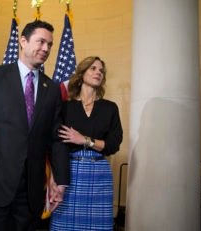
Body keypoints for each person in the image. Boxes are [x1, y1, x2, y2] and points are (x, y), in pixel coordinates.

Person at [0, 20, 70, 231]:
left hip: (31, 192)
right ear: (23, 41)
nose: (46, 49)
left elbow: (55, 138)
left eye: (50, 44)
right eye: (41, 42)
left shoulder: (52, 89)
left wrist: (60, 180)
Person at [49, 56, 123, 230]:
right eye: (93, 68)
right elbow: (56, 146)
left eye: (101, 71)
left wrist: (84, 140)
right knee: (64, 224)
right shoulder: (65, 107)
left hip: (100, 175)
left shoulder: (110, 108)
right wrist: (54, 177)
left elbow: (113, 144)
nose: (98, 72)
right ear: (81, 74)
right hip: (69, 173)